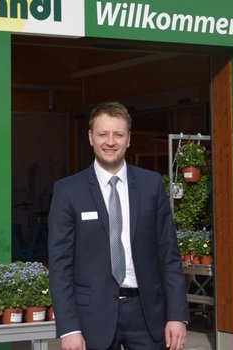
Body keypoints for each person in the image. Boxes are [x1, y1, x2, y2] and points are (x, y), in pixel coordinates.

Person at [48, 101, 189, 350]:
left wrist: (177, 315)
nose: (110, 142)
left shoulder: (151, 185)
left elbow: (169, 255)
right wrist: (69, 327)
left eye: (118, 135)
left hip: (147, 315)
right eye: (103, 134)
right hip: (92, 316)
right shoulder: (69, 191)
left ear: (129, 139)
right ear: (91, 137)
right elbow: (60, 266)